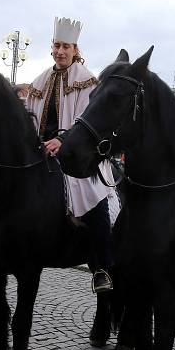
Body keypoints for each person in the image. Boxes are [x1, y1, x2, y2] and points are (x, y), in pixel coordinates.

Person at [26, 17, 114, 292]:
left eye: (66, 46)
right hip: (41, 153)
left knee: (92, 196)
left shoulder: (87, 81)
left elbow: (88, 119)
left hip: (78, 155)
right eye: (56, 45)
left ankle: (101, 266)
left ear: (75, 50)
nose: (60, 51)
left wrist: (63, 140)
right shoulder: (40, 81)